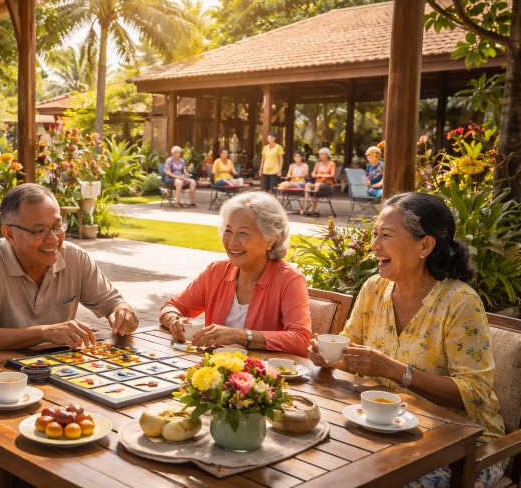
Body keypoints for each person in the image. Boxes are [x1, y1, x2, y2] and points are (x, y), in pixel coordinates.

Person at [307, 192, 506, 488]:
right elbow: (349, 353)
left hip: (463, 446)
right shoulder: (374, 288)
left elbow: (474, 393)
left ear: (425, 244)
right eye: (375, 234)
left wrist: (396, 371)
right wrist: (330, 357)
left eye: (385, 235)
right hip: (386, 429)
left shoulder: (460, 302)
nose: (374, 245)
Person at [0, 183, 139, 350]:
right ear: (9, 234)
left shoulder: (75, 257)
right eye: (39, 230)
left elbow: (114, 304)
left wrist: (122, 313)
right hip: (2, 375)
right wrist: (45, 333)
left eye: (57, 226)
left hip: (61, 368)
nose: (54, 239)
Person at [159, 192, 311, 357]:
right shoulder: (216, 272)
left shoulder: (289, 279)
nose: (232, 241)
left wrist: (241, 336)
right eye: (228, 230)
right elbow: (172, 307)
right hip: (212, 371)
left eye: (243, 233)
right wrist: (175, 321)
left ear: (270, 239)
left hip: (263, 376)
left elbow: (301, 340)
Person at [302, 147, 336, 216]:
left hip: (328, 184)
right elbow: (313, 174)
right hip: (317, 183)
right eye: (320, 154)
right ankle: (304, 208)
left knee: (317, 185)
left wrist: (322, 175)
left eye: (322, 154)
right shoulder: (317, 164)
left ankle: (313, 208)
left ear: (327, 155)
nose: (320, 156)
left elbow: (332, 175)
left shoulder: (332, 164)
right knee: (307, 185)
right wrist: (317, 175)